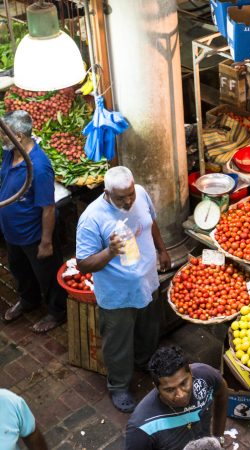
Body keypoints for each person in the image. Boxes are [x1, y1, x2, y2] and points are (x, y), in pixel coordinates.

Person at [76, 166, 171, 413]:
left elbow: (151, 223)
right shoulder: (91, 218)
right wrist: (110, 252)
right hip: (118, 295)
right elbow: (83, 263)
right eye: (121, 197)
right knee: (118, 343)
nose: (129, 200)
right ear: (107, 193)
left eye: (130, 194)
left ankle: (145, 363)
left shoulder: (140, 193)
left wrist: (162, 250)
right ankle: (118, 385)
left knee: (148, 330)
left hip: (148, 283)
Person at [0, 110, 67, 333]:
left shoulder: (39, 167)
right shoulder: (10, 153)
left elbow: (48, 208)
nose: (1, 137)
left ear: (18, 136)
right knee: (20, 271)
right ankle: (29, 300)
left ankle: (57, 313)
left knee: (48, 276)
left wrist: (46, 242)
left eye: (3, 133)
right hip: (12, 233)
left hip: (34, 235)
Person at [125, 345, 228, 450]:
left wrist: (218, 438)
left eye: (184, 383)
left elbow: (222, 392)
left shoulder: (205, 375)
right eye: (170, 390)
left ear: (191, 372)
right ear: (156, 387)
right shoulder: (141, 428)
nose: (181, 395)